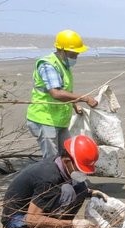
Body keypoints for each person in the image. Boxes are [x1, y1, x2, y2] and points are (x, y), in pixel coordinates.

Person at [1, 135, 108, 228]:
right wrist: (72, 224)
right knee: (68, 191)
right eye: (81, 169)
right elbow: (31, 219)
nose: (83, 173)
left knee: (81, 188)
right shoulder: (48, 178)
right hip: (16, 221)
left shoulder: (59, 162)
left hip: (32, 207)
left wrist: (91, 192)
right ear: (67, 161)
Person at [26, 29, 98, 160]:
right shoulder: (48, 65)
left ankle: (65, 180)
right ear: (61, 50)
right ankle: (52, 180)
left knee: (66, 154)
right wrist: (84, 98)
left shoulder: (64, 65)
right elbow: (56, 93)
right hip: (44, 119)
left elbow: (65, 91)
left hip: (59, 120)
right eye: (73, 53)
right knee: (52, 158)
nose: (75, 56)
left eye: (77, 54)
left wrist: (75, 105)